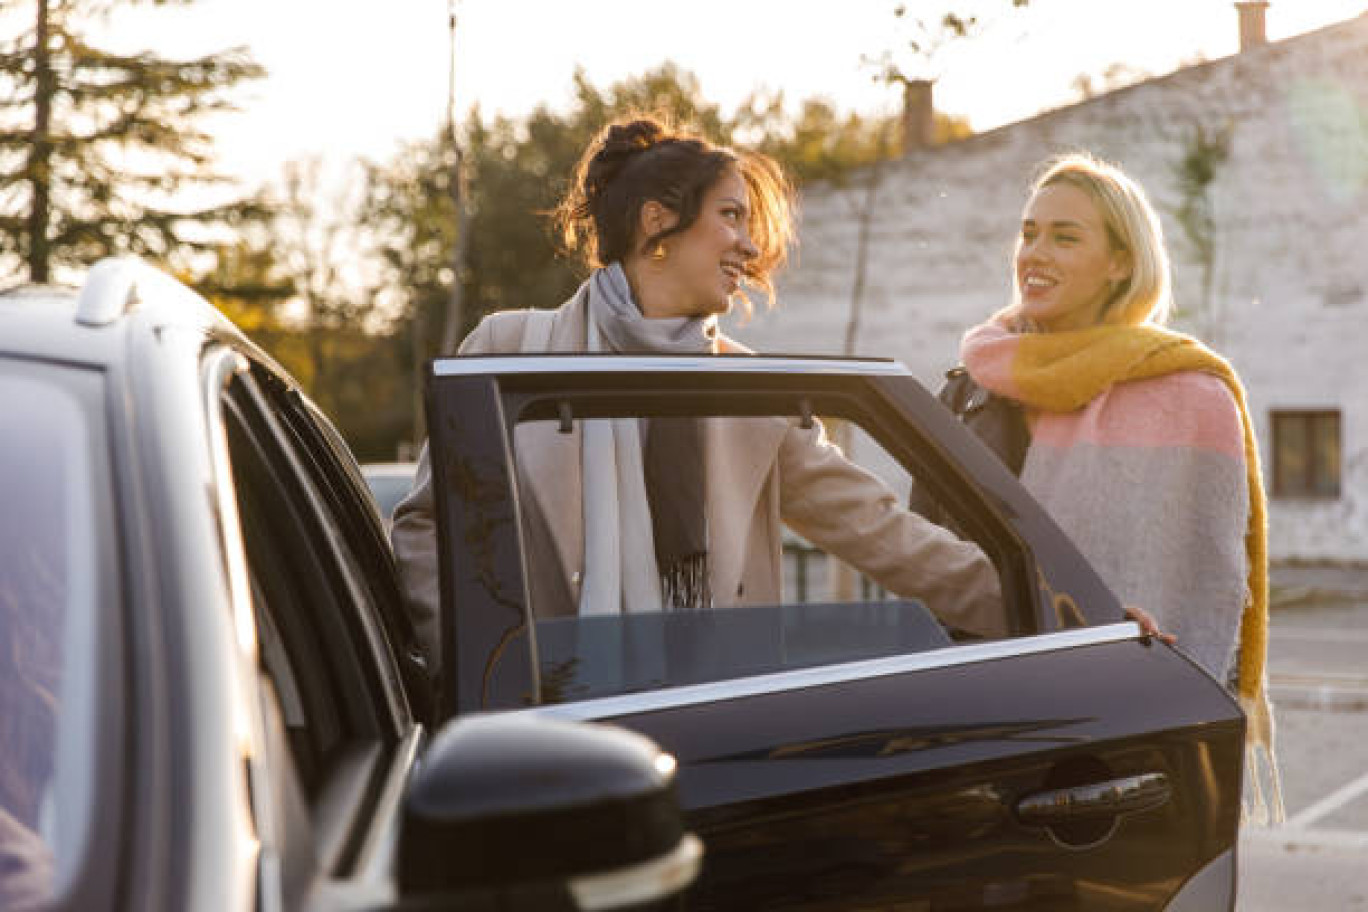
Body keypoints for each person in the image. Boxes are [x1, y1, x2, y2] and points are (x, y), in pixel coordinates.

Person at [391, 116, 1004, 680]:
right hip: (537, 736)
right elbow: (428, 532)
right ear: (657, 221)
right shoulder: (508, 348)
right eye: (731, 216)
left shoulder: (752, 393)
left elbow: (879, 528)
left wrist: (1052, 607)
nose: (750, 247)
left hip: (708, 737)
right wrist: (486, 680)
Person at [942, 151, 1281, 821]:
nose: (1034, 252)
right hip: (981, 728)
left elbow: (1211, 582)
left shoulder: (1189, 393)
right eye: (1029, 231)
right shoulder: (972, 387)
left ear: (1121, 263)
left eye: (1065, 237)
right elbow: (930, 559)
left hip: (1134, 745)